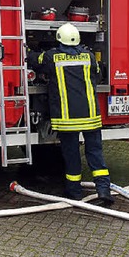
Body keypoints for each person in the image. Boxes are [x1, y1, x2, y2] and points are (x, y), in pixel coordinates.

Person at [27, 23, 114, 206]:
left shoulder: (52, 57)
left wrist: (27, 49)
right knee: (95, 154)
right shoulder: (89, 57)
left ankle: (74, 193)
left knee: (72, 155)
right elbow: (97, 74)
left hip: (68, 120)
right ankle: (104, 190)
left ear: (59, 39)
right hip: (91, 116)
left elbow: (34, 60)